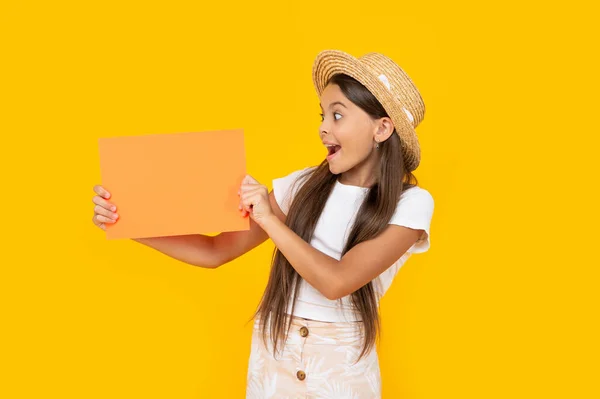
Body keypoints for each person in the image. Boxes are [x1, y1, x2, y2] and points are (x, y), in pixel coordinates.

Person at [92, 49, 435, 398]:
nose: (323, 128)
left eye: (337, 115)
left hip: (341, 366)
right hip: (275, 353)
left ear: (381, 128)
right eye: (322, 115)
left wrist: (270, 220)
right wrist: (129, 222)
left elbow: (338, 281)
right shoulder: (301, 186)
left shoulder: (410, 204)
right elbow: (216, 250)